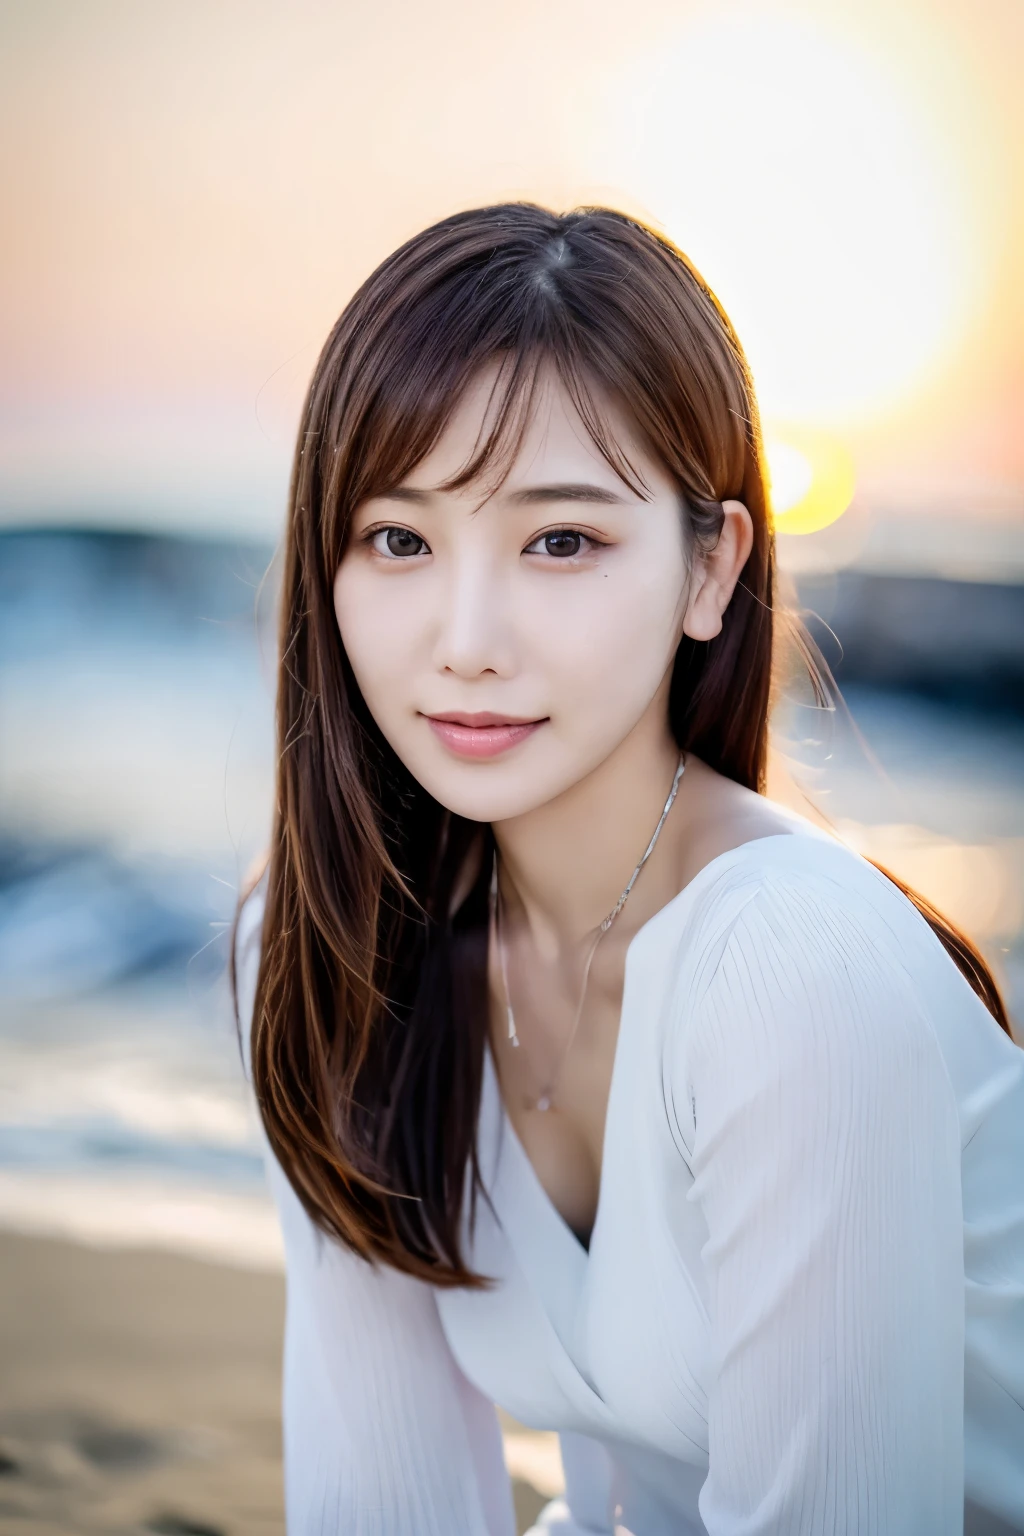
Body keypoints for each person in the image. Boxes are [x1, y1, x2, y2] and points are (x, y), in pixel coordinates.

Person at [234, 204, 1024, 1535]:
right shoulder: (330, 952)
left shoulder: (793, 971)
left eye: (561, 542)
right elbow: (386, 1507)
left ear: (711, 567)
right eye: (400, 540)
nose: (467, 640)